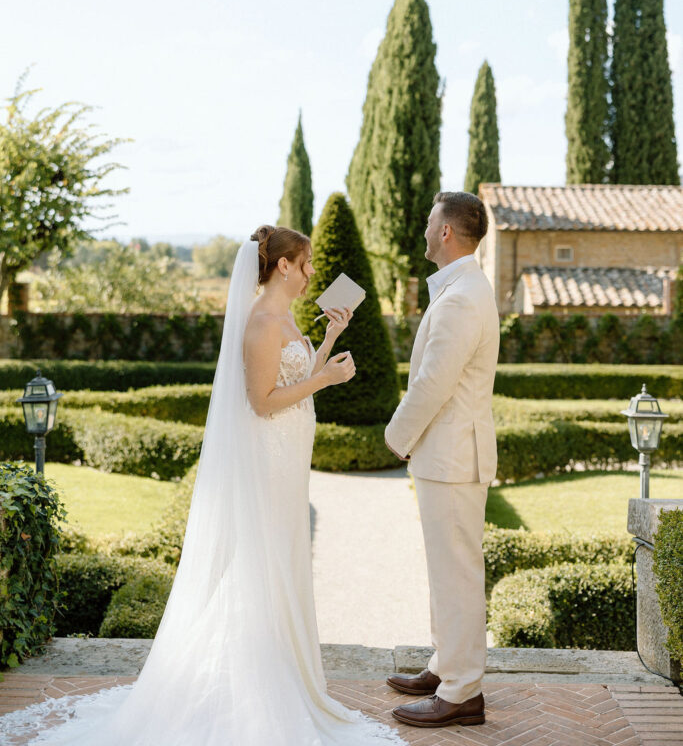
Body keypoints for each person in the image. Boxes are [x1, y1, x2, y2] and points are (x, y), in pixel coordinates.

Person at [3, 226, 401, 746]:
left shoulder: (284, 316)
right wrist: (326, 380)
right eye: (304, 265)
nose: (309, 275)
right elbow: (263, 401)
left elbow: (294, 385)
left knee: (280, 561)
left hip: (288, 460)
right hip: (267, 460)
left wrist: (328, 340)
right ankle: (248, 692)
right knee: (260, 565)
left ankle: (280, 673)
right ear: (282, 266)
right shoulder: (260, 322)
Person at [384, 192, 499, 730]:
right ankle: (445, 666)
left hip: (452, 457)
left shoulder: (459, 298)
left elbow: (434, 382)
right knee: (446, 571)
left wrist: (395, 435)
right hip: (450, 456)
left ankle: (460, 693)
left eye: (430, 221)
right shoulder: (463, 288)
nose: (425, 229)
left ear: (447, 232)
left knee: (455, 574)